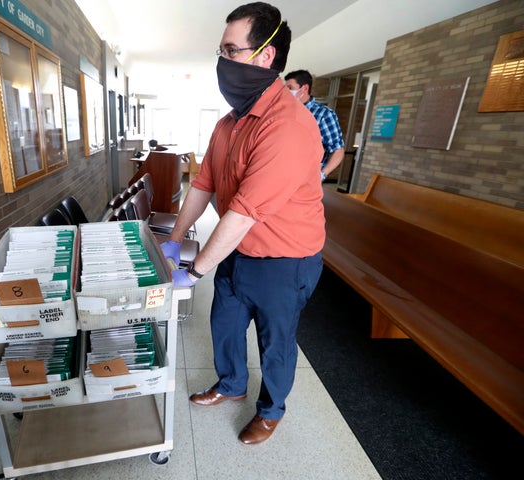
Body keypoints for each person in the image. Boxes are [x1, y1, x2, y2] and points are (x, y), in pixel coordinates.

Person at [160, 2, 324, 445]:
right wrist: (174, 243)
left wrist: (194, 271)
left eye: (231, 51)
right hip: (237, 251)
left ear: (265, 57)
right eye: (221, 50)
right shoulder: (228, 124)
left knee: (277, 343)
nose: (222, 62)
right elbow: (203, 185)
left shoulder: (288, 126)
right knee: (225, 324)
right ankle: (231, 384)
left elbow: (244, 212)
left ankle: (271, 411)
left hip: (284, 260)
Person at [284, 70, 345, 182]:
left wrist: (321, 175)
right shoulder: (286, 110)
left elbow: (338, 150)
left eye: (290, 88)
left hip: (305, 178)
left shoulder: (323, 114)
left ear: (304, 88)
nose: (287, 91)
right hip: (282, 172)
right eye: (285, 88)